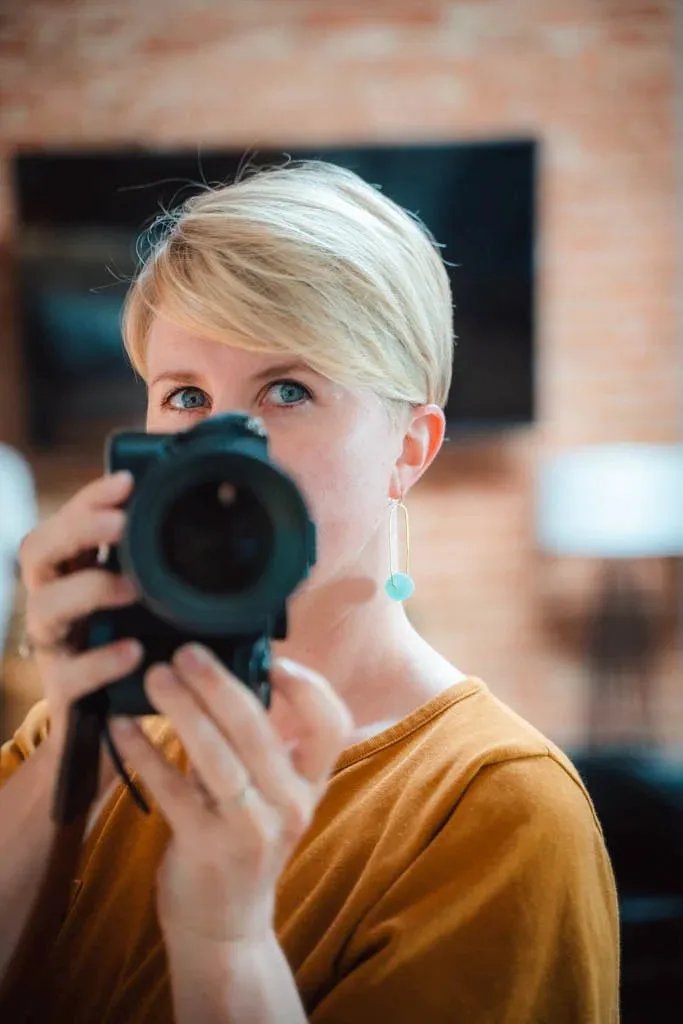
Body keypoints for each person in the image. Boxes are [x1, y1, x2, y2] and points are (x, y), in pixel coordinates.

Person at [0, 161, 619, 1023]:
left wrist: (226, 945)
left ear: (409, 447)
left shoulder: (495, 809)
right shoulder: (81, 727)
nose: (223, 449)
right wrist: (75, 747)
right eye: (184, 395)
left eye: (288, 390)